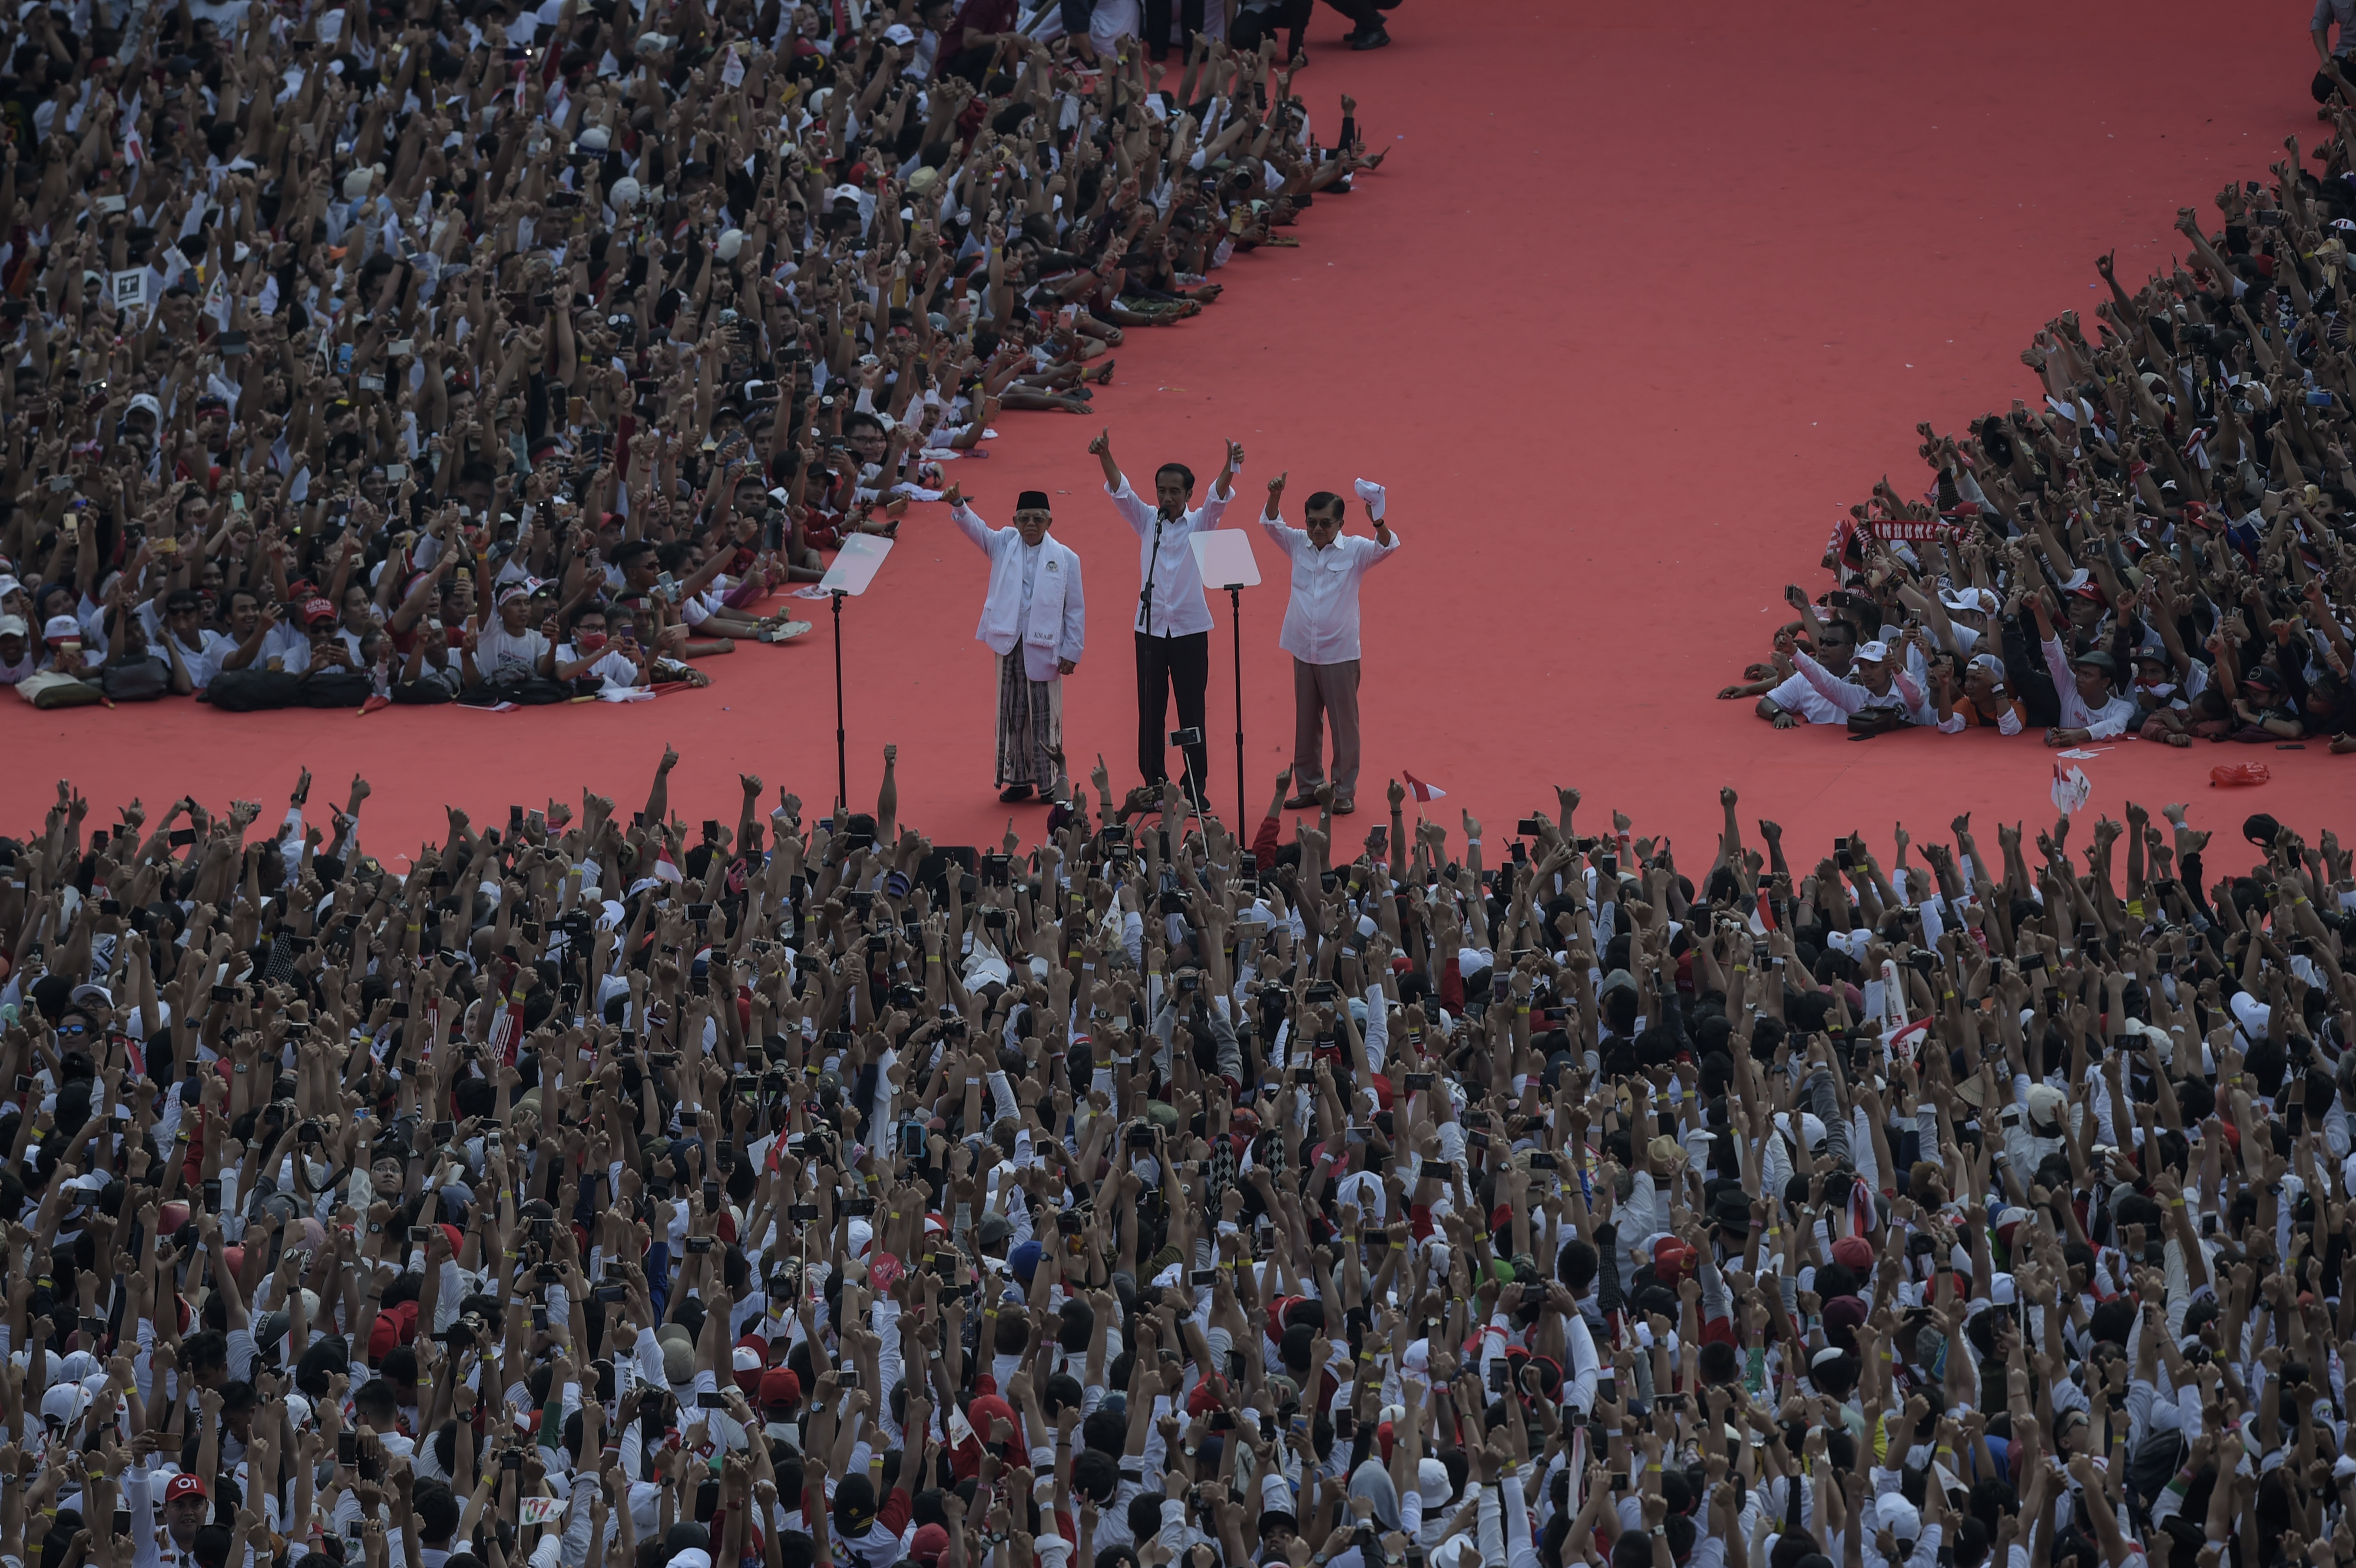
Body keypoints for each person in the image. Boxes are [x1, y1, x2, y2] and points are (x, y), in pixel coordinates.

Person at [1089, 427, 1242, 811]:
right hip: (1149, 630)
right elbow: (1122, 492)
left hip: (1190, 630)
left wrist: (1230, 466)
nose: (1167, 497)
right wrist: (1105, 455)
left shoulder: (1200, 523)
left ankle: (1194, 788)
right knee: (1150, 711)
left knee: (1191, 712)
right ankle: (1154, 786)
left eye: (1175, 491)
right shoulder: (1147, 521)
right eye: (1161, 490)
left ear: (1188, 495)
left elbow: (1217, 498)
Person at [1260, 472, 1398, 815]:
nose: (1317, 529)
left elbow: (1387, 546)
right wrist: (1275, 496)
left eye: (1325, 523)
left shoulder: (1356, 550)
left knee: (1343, 726)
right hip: (1303, 649)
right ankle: (1309, 787)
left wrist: (1378, 520)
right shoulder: (1298, 543)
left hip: (1339, 653)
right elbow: (1272, 524)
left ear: (1340, 523)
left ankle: (1344, 790)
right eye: (1312, 522)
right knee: (1306, 724)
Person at [941, 484, 1087, 802]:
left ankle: (1049, 784)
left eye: (1037, 519)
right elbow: (977, 530)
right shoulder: (1004, 543)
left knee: (1043, 715)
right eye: (1024, 519)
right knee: (1012, 713)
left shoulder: (1066, 558)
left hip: (1045, 647)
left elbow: (1074, 609)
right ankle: (1018, 781)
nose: (1030, 525)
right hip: (1009, 642)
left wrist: (1072, 651)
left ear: (1049, 522)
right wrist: (958, 504)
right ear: (1015, 521)